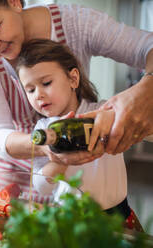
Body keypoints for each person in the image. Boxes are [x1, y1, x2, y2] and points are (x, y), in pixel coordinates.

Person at [0, 0, 153, 172]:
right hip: (17, 176)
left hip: (79, 176)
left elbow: (147, 46)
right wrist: (45, 146)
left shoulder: (77, 23)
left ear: (14, 2)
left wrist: (145, 89)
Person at [15, 39, 144, 231]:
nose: (38, 95)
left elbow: (135, 119)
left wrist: (112, 117)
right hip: (70, 221)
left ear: (73, 79)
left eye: (46, 83)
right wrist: (59, 160)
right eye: (30, 90)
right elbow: (42, 187)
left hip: (117, 219)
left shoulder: (102, 111)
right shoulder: (43, 130)